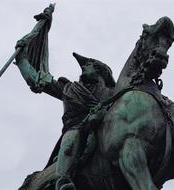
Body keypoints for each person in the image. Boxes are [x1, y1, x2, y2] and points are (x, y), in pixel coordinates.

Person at [14, 41, 115, 190]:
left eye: (89, 64)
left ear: (101, 71)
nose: (84, 67)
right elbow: (34, 79)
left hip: (105, 128)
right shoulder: (69, 88)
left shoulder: (112, 93)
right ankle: (63, 179)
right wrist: (22, 59)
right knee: (70, 140)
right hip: (77, 127)